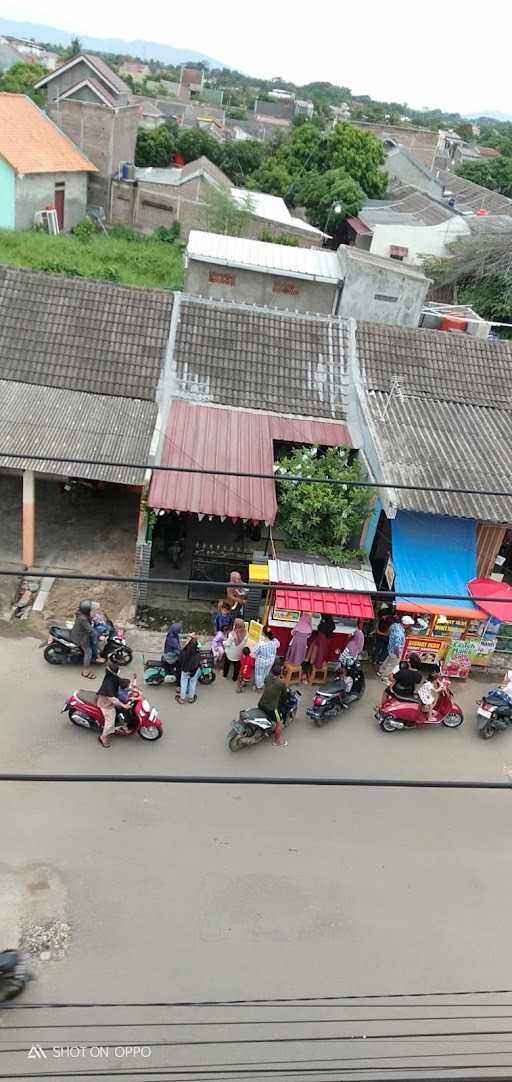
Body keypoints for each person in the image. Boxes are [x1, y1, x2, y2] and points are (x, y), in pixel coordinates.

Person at [70, 600, 104, 680]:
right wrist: (99, 636)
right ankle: (85, 671)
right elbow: (91, 630)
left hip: (78, 631)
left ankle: (98, 656)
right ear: (87, 610)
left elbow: (90, 618)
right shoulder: (83, 619)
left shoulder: (80, 612)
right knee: (88, 651)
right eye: (90, 609)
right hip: (81, 638)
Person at [258, 662, 288, 747]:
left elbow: (266, 684)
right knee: (280, 722)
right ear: (280, 673)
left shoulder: (267, 678)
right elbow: (284, 696)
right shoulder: (281, 683)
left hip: (261, 703)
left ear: (271, 671)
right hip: (271, 708)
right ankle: (277, 741)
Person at [97, 662, 126, 748]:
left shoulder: (112, 677)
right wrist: (123, 705)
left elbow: (122, 682)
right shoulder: (108, 684)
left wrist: (131, 687)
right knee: (110, 721)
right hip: (106, 704)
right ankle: (103, 737)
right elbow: (112, 699)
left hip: (112, 697)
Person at [377, 615, 414, 679]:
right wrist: (398, 655)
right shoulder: (400, 634)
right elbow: (397, 647)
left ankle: (380, 671)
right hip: (395, 651)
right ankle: (384, 676)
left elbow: (388, 632)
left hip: (390, 647)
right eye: (410, 624)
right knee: (392, 664)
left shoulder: (394, 625)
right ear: (407, 624)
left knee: (388, 660)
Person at [177, 633, 202, 704]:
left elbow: (180, 659)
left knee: (183, 683)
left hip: (185, 670)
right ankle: (191, 698)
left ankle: (182, 699)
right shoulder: (197, 653)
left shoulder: (184, 652)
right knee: (192, 683)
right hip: (194, 671)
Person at [254, 624, 279, 689]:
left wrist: (258, 641)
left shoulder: (261, 643)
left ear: (263, 633)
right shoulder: (275, 641)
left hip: (261, 662)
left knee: (259, 674)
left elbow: (254, 651)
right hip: (270, 661)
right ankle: (263, 682)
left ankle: (259, 686)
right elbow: (278, 645)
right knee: (266, 673)